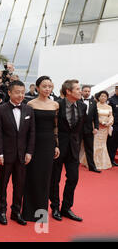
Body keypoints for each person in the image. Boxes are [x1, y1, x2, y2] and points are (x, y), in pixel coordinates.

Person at [0, 80, 35, 226]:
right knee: (2, 184)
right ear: (10, 93)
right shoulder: (1, 109)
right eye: (17, 92)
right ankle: (1, 211)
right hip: (5, 154)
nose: (20, 95)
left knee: (20, 185)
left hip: (22, 155)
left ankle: (16, 212)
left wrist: (29, 152)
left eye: (23, 92)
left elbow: (32, 133)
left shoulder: (28, 110)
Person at [21, 76, 59, 222]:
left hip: (48, 144)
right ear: (37, 88)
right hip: (34, 143)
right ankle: (28, 212)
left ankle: (41, 214)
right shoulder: (30, 103)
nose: (47, 89)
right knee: (32, 177)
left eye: (50, 86)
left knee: (45, 178)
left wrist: (56, 145)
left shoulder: (55, 105)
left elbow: (56, 126)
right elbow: (27, 127)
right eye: (44, 86)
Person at [49, 79, 85, 222]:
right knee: (55, 179)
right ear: (68, 92)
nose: (80, 91)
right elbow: (52, 127)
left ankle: (66, 207)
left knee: (73, 178)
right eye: (77, 89)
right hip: (58, 147)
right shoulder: (57, 104)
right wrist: (53, 145)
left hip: (74, 148)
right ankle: (55, 207)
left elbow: (80, 129)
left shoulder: (82, 106)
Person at [81, 91, 113, 170]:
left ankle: (102, 163)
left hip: (105, 129)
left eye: (105, 96)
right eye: (102, 96)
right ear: (99, 97)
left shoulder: (109, 107)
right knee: (94, 144)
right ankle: (91, 162)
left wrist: (108, 122)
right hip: (97, 127)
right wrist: (100, 122)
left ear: (107, 97)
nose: (103, 98)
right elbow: (94, 116)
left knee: (103, 144)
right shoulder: (95, 105)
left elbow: (111, 116)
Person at [78, 85, 100, 172]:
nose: (87, 93)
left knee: (90, 148)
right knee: (76, 148)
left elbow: (96, 117)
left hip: (89, 129)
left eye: (88, 91)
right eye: (85, 91)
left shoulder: (93, 102)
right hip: (77, 129)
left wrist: (96, 127)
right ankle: (74, 165)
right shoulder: (77, 101)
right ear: (82, 91)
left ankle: (92, 167)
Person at [107, 86, 118, 166]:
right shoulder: (111, 100)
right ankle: (110, 159)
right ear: (116, 90)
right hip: (114, 125)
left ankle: (112, 158)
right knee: (112, 143)